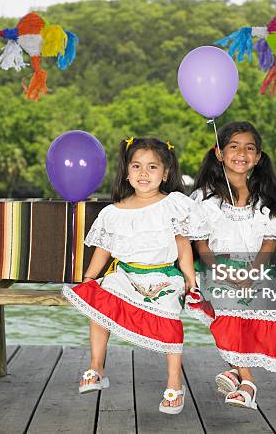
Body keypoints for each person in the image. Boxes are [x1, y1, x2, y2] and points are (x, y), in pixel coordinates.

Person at [62, 137, 209, 414]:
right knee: (99, 299)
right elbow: (103, 250)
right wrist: (89, 278)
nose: (144, 173)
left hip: (164, 275)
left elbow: (182, 245)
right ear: (127, 172)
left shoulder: (173, 204)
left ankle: (175, 381)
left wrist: (189, 277)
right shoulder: (113, 213)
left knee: (168, 313)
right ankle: (96, 366)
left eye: (152, 167)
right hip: (127, 274)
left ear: (165, 174)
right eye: (137, 166)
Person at [187, 121, 276, 409]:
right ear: (219, 153)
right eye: (233, 147)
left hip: (257, 268)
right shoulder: (204, 198)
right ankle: (248, 381)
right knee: (229, 302)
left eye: (249, 148)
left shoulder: (268, 197)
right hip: (217, 269)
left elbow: (269, 242)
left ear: (259, 157)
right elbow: (202, 246)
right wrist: (223, 271)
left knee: (267, 299)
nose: (241, 153)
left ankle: (234, 370)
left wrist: (252, 272)